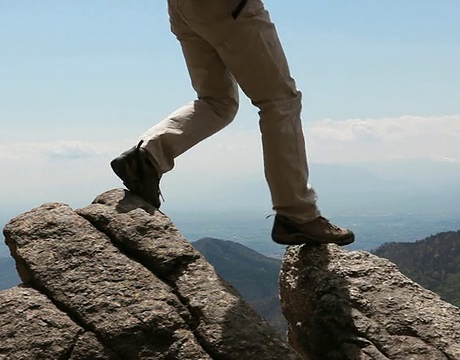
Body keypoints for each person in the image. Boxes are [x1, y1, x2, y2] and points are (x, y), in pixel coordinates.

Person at [111, 0, 354, 246]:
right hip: (229, 7)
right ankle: (297, 214)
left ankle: (147, 157)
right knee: (280, 102)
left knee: (218, 102)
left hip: (182, 8)